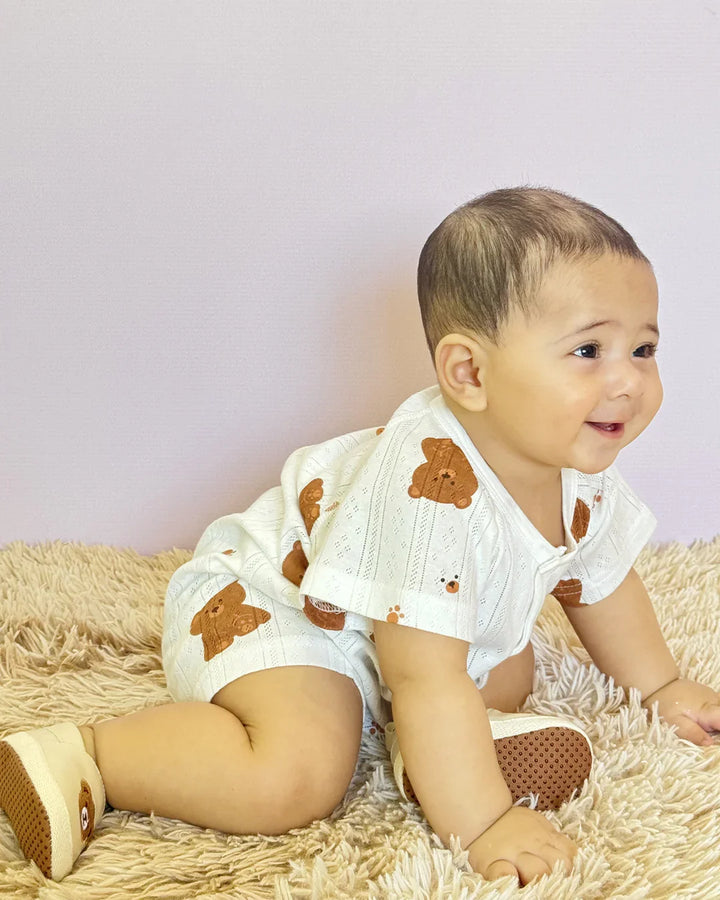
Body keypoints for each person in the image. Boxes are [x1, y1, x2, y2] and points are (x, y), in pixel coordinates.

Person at [2, 187, 719, 887]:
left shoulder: (574, 458)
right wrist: (484, 821)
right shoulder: (425, 490)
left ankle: (427, 750)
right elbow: (426, 676)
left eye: (644, 348)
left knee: (506, 669)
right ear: (469, 372)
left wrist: (658, 685)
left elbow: (600, 577)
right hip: (267, 603)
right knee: (298, 773)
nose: (629, 382)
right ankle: (88, 756)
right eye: (590, 350)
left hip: (383, 626)